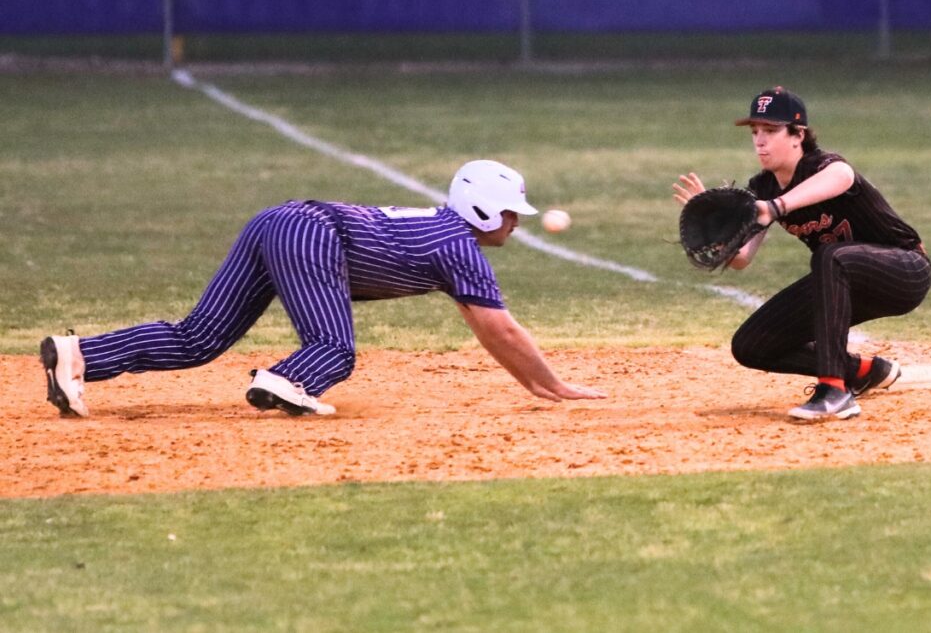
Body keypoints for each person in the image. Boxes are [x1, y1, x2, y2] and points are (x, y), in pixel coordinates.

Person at [41, 159, 606, 418]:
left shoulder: (445, 231)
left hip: (281, 222)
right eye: (510, 213)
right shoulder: (457, 244)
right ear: (481, 210)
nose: (516, 223)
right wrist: (550, 385)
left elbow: (494, 329)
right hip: (312, 232)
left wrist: (538, 382)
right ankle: (285, 381)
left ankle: (80, 354)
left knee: (199, 339)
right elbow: (498, 328)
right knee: (332, 349)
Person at [673, 87, 931, 421]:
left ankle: (835, 391)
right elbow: (742, 259)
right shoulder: (763, 188)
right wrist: (718, 228)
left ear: (798, 135)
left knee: (830, 256)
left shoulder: (821, 166)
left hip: (904, 270)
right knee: (752, 345)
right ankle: (865, 370)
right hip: (841, 280)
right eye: (755, 132)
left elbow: (843, 175)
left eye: (770, 130)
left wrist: (775, 207)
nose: (759, 141)